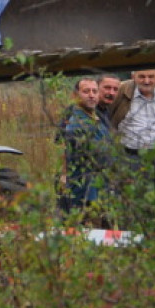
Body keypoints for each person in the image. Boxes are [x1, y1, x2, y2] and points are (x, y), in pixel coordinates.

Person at [57, 77, 114, 210]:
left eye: (94, 91)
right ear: (75, 96)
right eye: (86, 91)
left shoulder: (96, 118)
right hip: (85, 189)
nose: (91, 95)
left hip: (101, 184)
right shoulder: (77, 123)